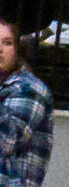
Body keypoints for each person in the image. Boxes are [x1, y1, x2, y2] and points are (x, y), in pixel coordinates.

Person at [0, 20, 49, 185]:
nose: (0, 50)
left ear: (17, 50)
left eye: (7, 43)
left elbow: (6, 142)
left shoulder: (31, 89)